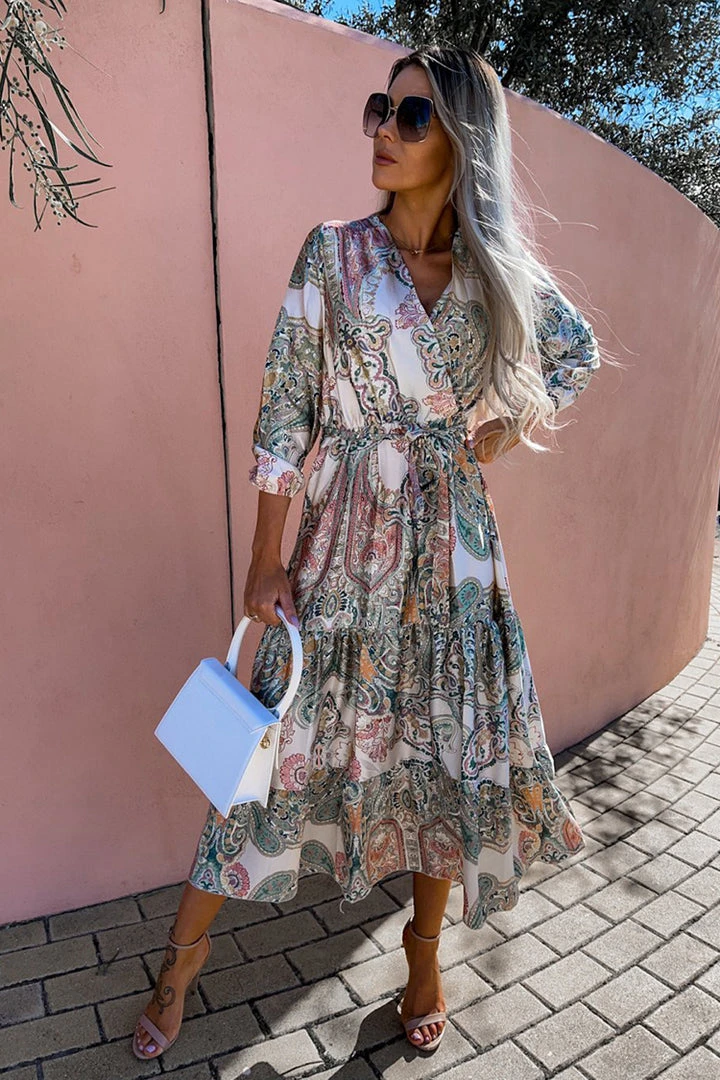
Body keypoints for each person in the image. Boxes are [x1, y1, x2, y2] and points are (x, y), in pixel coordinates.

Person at [133, 44, 602, 1061]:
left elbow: (575, 352)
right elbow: (285, 411)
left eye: (412, 116)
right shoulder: (334, 255)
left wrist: (500, 431)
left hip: (455, 559)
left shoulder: (492, 274)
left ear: (463, 139)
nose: (383, 129)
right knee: (261, 759)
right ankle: (181, 961)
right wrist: (266, 556)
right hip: (342, 541)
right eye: (380, 108)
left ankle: (424, 958)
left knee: (443, 752)